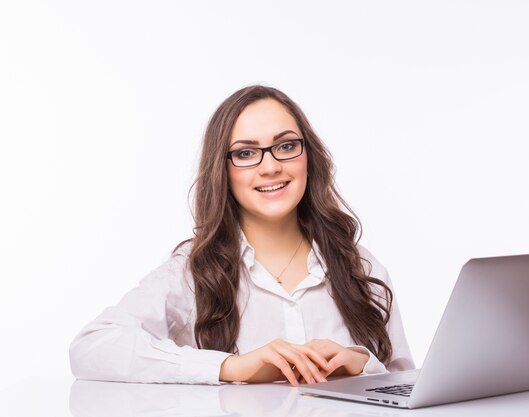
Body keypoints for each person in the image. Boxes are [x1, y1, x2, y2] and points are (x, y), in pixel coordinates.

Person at [69, 85, 415, 385]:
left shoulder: (361, 267)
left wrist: (361, 364)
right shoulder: (194, 273)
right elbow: (93, 346)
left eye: (286, 146)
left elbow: (407, 387)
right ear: (223, 171)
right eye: (246, 153)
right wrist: (231, 367)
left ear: (308, 155)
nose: (270, 166)